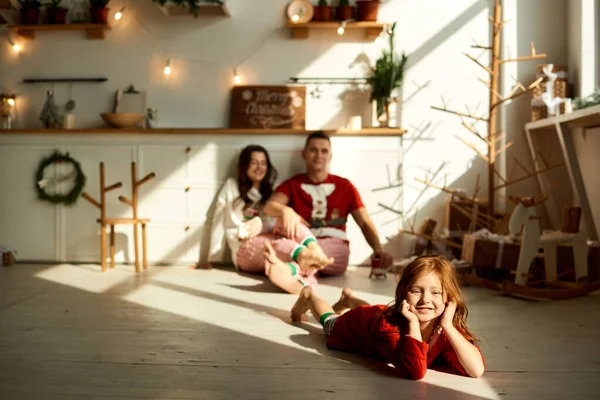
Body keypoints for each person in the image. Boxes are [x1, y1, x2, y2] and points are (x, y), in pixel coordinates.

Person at [289, 254, 485, 380]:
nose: (426, 300)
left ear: (449, 299)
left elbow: (476, 370)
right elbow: (415, 371)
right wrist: (414, 324)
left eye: (435, 293)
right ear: (403, 294)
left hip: (376, 314)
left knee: (376, 310)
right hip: (358, 325)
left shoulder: (444, 327)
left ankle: (348, 299)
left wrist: (449, 327)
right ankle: (309, 296)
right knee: (331, 321)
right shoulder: (388, 325)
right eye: (416, 291)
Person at [202, 144, 332, 294]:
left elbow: (277, 224)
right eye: (254, 162)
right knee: (276, 245)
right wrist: (212, 257)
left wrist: (268, 221)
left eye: (263, 163)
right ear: (244, 165)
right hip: (245, 245)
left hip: (275, 242)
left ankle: (310, 252)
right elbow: (218, 220)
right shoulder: (232, 186)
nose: (259, 167)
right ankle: (304, 258)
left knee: (288, 220)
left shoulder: (271, 191)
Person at [264, 131, 393, 276]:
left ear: (330, 156)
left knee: (301, 253)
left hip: (335, 245)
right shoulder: (293, 184)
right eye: (313, 150)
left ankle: (290, 270)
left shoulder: (345, 186)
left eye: (324, 151)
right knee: (281, 245)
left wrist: (378, 251)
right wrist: (286, 210)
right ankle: (299, 274)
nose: (319, 155)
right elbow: (270, 206)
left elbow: (364, 222)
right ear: (304, 154)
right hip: (302, 242)